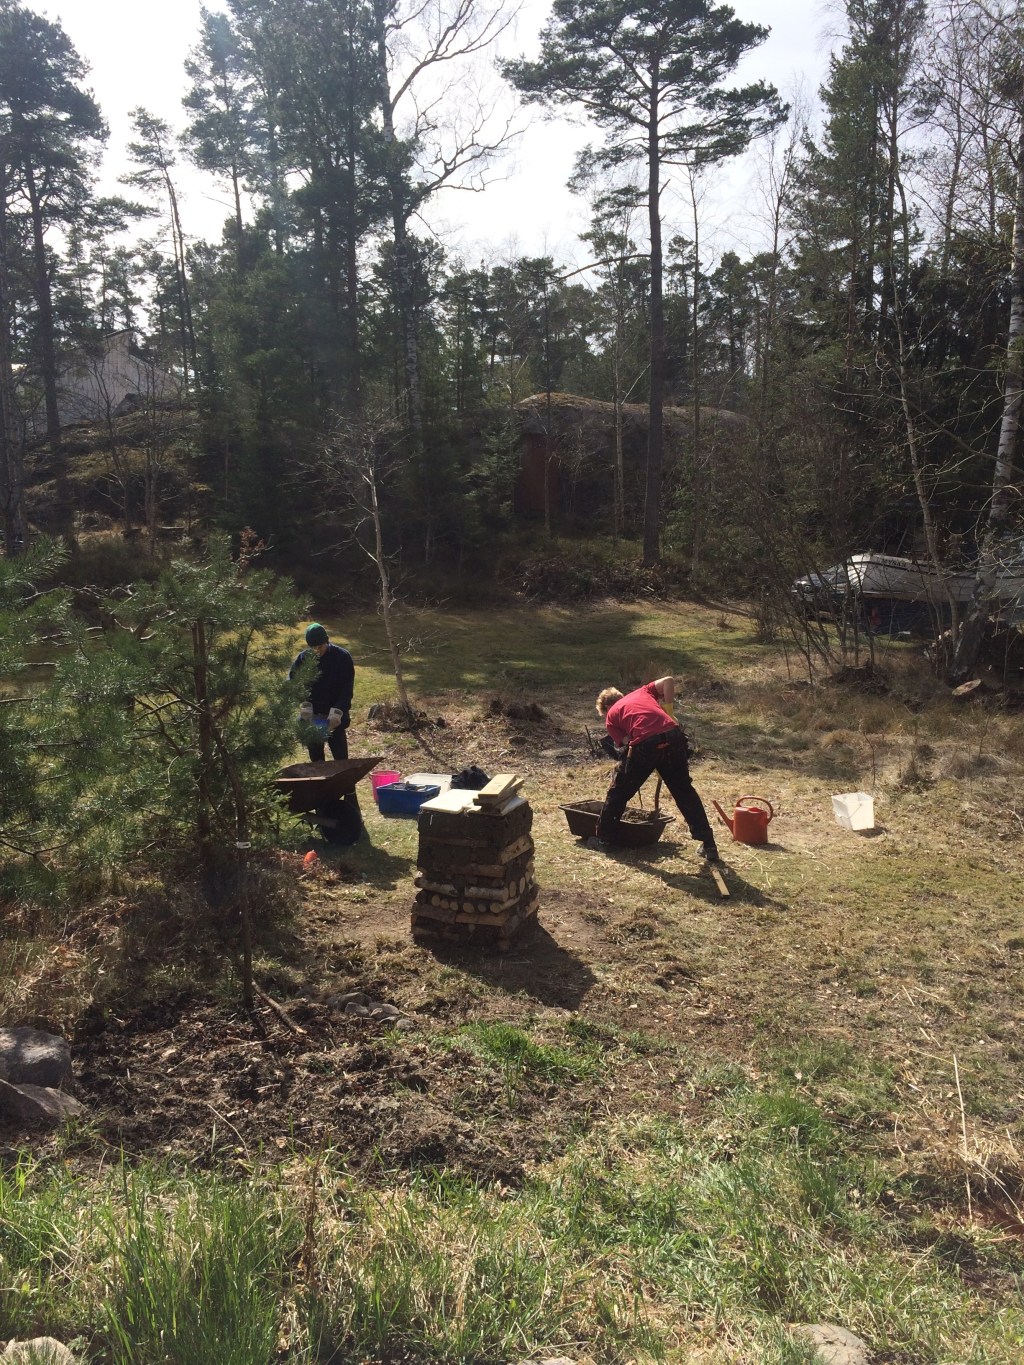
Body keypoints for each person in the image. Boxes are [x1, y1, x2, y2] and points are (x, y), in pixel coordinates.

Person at [593, 675, 719, 862]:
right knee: (684, 792)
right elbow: (668, 680)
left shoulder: (611, 717)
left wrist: (645, 763)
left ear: (606, 709)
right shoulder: (642, 691)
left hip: (645, 744)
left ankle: (604, 840)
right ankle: (709, 845)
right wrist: (668, 709)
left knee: (619, 791)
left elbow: (629, 746)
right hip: (674, 735)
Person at [289, 623, 355, 763]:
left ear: (327, 641)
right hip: (313, 715)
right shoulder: (303, 659)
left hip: (334, 714)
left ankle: (344, 784)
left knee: (341, 761)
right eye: (313, 647)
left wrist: (339, 710)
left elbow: (346, 689)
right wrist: (304, 703)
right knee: (317, 762)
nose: (317, 650)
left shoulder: (342, 657)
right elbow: (293, 682)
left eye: (320, 646)